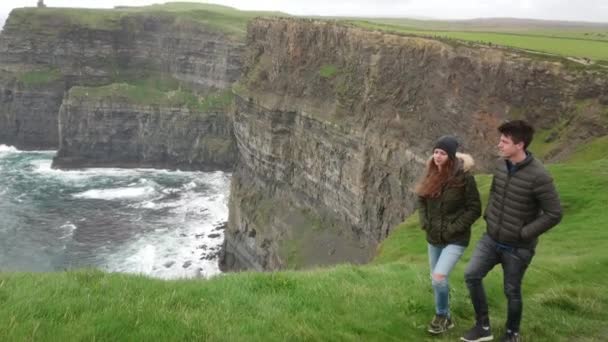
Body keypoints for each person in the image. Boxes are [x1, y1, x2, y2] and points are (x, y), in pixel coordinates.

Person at [461, 120, 562, 342]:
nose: (499, 145)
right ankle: (483, 327)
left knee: (512, 291)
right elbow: (496, 193)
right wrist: (489, 217)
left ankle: (511, 334)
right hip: (491, 238)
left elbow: (554, 213)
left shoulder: (539, 176)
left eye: (504, 142)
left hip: (518, 247)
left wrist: (524, 233)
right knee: (471, 275)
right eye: (500, 140)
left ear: (520, 145)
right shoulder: (500, 166)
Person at [415, 135, 481, 335]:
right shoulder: (431, 174)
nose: (437, 156)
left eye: (442, 153)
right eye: (435, 152)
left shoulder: (465, 179)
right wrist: (424, 222)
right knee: (436, 279)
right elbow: (421, 198)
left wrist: (454, 228)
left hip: (455, 239)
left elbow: (474, 209)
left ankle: (442, 315)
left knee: (438, 277)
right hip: (433, 237)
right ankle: (447, 318)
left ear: (451, 156)